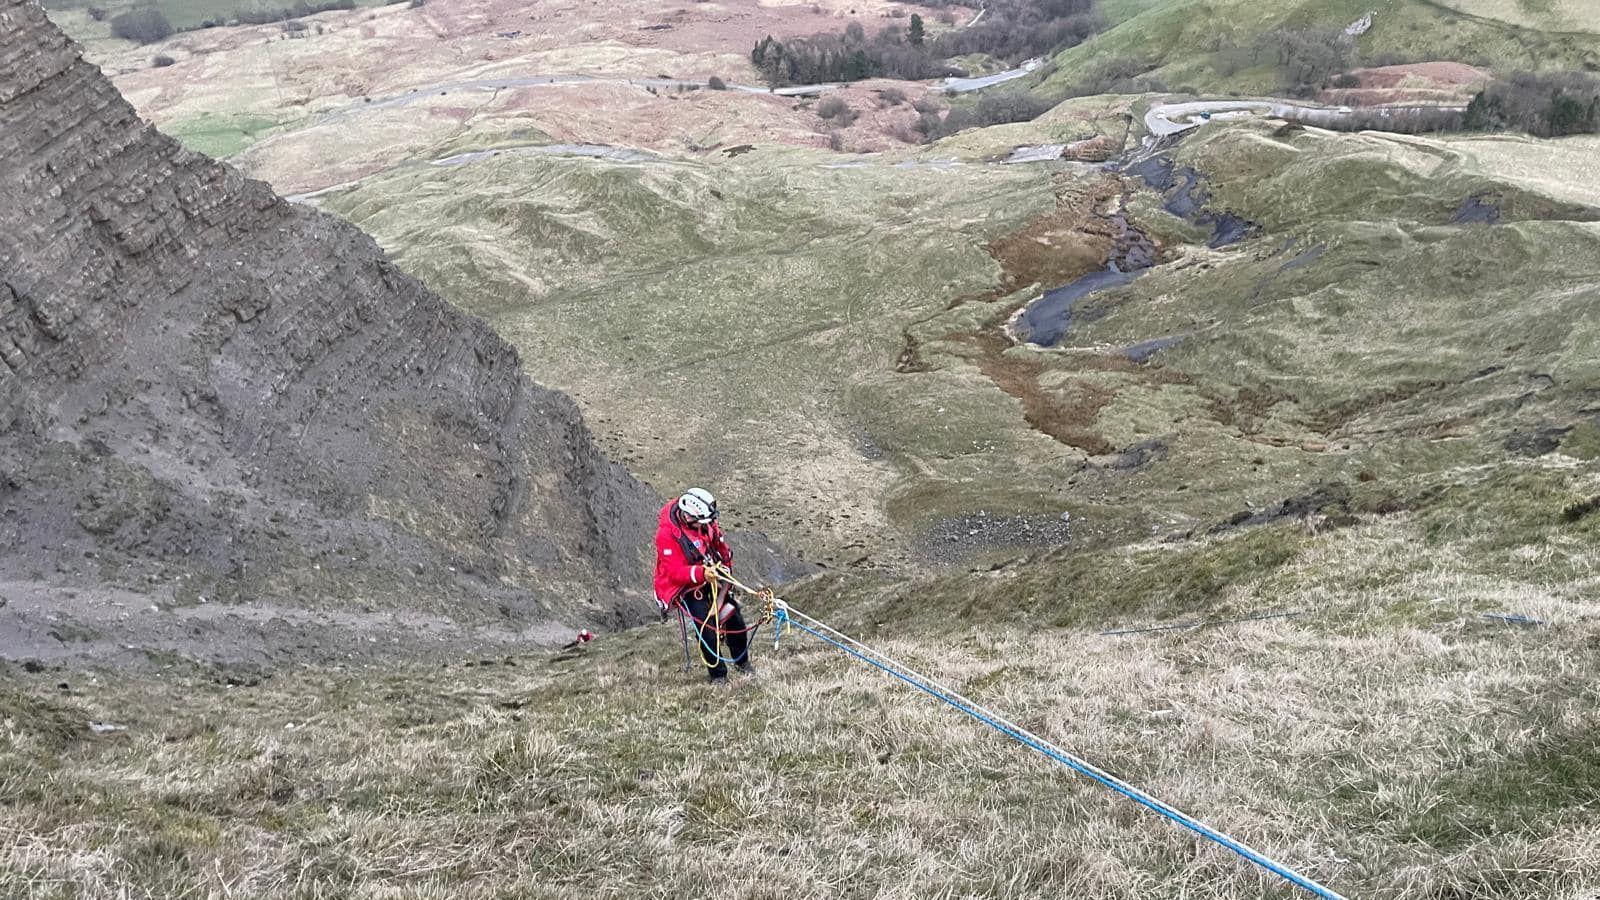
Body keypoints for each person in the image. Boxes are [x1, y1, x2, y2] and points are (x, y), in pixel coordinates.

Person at [653, 487, 753, 682]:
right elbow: (674, 573)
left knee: (733, 616)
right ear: (689, 516)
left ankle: (742, 662)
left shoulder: (705, 522)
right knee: (705, 626)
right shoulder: (666, 535)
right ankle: (718, 675)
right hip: (687, 585)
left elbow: (718, 542)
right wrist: (701, 574)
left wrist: (725, 564)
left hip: (711, 574)